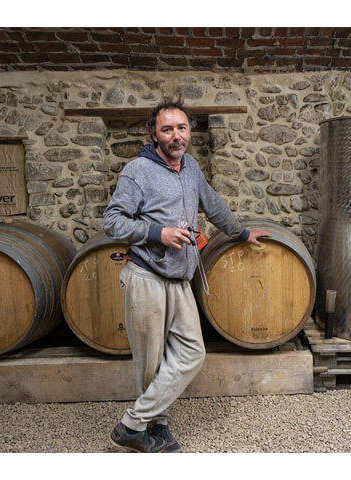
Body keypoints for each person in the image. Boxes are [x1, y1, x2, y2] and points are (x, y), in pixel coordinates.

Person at [103, 100, 271, 453]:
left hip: (179, 278)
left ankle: (133, 424)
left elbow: (213, 205)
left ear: (189, 132)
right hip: (146, 275)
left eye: (182, 128)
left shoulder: (191, 167)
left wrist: (241, 233)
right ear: (154, 135)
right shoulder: (137, 171)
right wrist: (158, 233)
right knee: (150, 363)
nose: (176, 135)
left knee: (192, 352)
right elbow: (113, 222)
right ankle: (153, 426)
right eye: (167, 129)